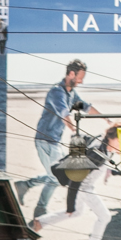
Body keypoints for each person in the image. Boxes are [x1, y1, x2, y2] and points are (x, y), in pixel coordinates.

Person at [28, 59, 102, 225]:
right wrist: (75, 133)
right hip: (45, 139)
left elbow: (85, 107)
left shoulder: (71, 93)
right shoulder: (57, 92)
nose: (81, 81)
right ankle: (39, 212)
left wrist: (106, 119)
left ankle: (25, 185)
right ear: (71, 74)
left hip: (54, 140)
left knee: (60, 173)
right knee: (56, 176)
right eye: (80, 77)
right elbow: (64, 114)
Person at [74, 127, 121, 240]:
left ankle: (40, 222)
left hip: (83, 186)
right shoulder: (99, 151)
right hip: (84, 187)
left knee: (75, 213)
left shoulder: (106, 146)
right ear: (113, 138)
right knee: (104, 216)